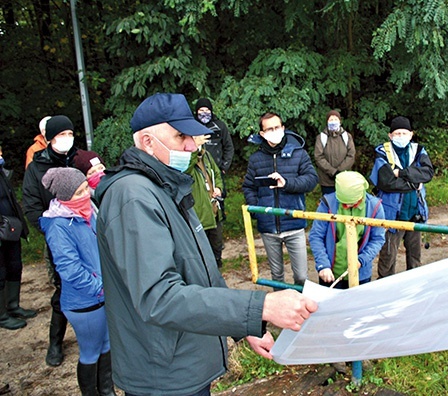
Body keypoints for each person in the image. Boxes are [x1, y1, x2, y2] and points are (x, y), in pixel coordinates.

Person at [95, 93, 317, 395]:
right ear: (147, 141)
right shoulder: (134, 196)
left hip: (185, 359)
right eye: (180, 135)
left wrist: (242, 326)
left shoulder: (166, 185)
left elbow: (201, 273)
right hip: (164, 375)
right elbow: (159, 297)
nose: (190, 145)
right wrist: (262, 306)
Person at [39, 168, 115, 396]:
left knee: (107, 346)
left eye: (85, 188)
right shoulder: (59, 226)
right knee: (91, 352)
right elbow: (69, 270)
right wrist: (100, 288)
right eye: (78, 192)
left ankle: (107, 390)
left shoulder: (90, 211)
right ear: (63, 197)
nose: (85, 194)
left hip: (105, 295)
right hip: (85, 302)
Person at [22, 114, 81, 367]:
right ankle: (55, 343)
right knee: (63, 289)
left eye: (69, 134)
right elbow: (32, 208)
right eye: (61, 135)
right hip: (59, 239)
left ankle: (95, 331)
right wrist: (53, 231)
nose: (66, 140)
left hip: (86, 233)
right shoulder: (36, 168)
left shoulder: (79, 159)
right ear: (49, 139)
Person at [242, 112, 318, 287]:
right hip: (268, 227)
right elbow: (248, 187)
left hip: (294, 223)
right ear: (262, 133)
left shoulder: (299, 154)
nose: (274, 131)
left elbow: (311, 180)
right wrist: (257, 210)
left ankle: (302, 308)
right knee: (276, 277)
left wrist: (287, 183)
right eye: (269, 129)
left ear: (283, 128)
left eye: (277, 127)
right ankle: (281, 311)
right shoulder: (256, 159)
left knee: (301, 276)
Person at [369, 116, 434, 278]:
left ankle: (412, 290)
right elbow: (386, 182)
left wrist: (402, 173)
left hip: (415, 213)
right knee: (388, 257)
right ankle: (385, 288)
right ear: (390, 135)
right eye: (397, 133)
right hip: (391, 215)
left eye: (404, 133)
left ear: (411, 134)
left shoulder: (418, 151)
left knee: (415, 258)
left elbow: (427, 173)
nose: (401, 136)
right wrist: (414, 183)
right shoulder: (382, 152)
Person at [309, 171, 385, 289]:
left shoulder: (375, 207)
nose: (347, 206)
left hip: (360, 273)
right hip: (330, 272)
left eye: (352, 203)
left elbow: (377, 239)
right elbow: (316, 236)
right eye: (343, 203)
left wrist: (361, 260)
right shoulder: (327, 204)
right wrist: (323, 265)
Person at [0, 146, 37, 330]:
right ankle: (2, 315)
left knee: (14, 265)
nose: (0, 154)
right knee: (0, 271)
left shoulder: (2, 172)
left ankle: (13, 305)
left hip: (10, 229)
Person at [186, 135, 225, 268]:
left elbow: (217, 174)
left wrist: (218, 188)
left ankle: (218, 274)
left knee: (217, 248)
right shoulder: (186, 158)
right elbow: (185, 173)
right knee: (202, 255)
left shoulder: (206, 155)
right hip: (200, 215)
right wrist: (193, 150)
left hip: (214, 211)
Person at [314, 109, 356, 194]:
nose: (333, 122)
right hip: (326, 181)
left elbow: (351, 155)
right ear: (327, 122)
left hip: (344, 178)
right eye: (331, 120)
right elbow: (318, 157)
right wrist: (333, 172)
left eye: (336, 119)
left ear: (340, 121)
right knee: (329, 204)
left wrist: (340, 171)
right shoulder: (321, 137)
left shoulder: (347, 136)